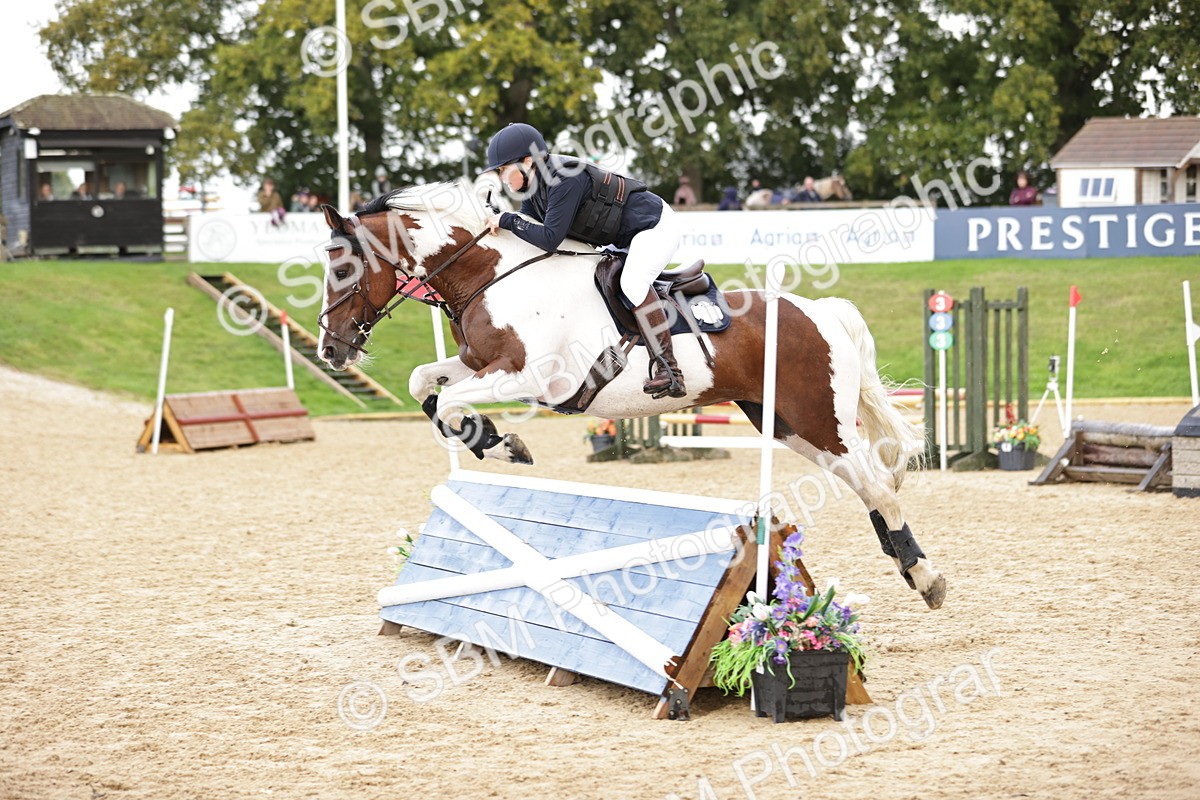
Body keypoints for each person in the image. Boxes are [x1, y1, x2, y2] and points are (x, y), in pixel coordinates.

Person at [481, 122, 686, 399]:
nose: (502, 177)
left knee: (633, 284)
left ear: (527, 161)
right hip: (624, 237)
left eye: (503, 169)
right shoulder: (534, 190)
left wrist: (507, 219)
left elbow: (550, 238)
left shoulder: (564, 179)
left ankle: (669, 369)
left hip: (654, 226)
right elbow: (528, 227)